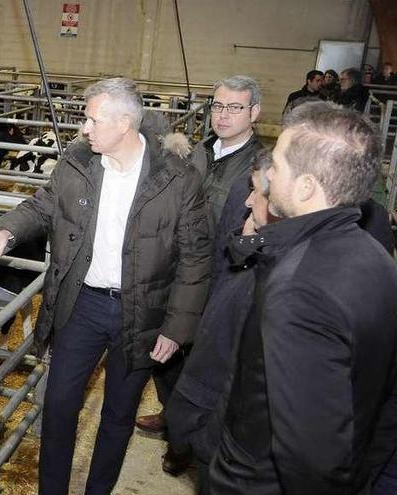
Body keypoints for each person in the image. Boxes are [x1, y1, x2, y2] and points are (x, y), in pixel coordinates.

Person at [0, 77, 211, 495]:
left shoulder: (177, 180)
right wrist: (7, 232)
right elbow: (43, 204)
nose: (84, 128)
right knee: (60, 404)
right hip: (81, 303)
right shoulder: (78, 162)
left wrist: (177, 328)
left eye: (91, 119)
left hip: (141, 310)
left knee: (119, 414)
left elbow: (195, 258)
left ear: (124, 123)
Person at [209, 101, 397, 494]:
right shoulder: (375, 257)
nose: (267, 177)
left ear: (307, 186)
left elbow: (310, 458)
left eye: (276, 166)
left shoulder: (300, 288)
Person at [135, 75, 264, 475]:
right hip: (175, 270)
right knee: (164, 350)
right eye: (218, 106)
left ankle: (189, 436)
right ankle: (174, 415)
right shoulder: (196, 153)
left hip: (222, 276)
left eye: (234, 107)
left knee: (205, 361)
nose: (223, 115)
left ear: (254, 113)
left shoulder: (260, 166)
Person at [166, 149, 275, 495]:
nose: (247, 199)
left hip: (236, 445)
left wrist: (201, 433)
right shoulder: (254, 251)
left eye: (257, 191)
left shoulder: (277, 279)